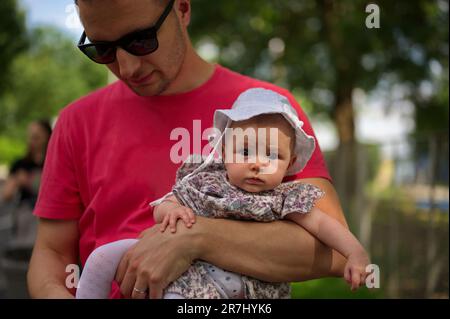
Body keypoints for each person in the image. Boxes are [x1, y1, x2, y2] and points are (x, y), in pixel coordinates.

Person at [28, 0, 352, 299]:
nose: (126, 68)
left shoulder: (269, 111)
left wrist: (196, 240)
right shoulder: (76, 121)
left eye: (141, 40)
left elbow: (334, 252)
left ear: (182, 9)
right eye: (102, 49)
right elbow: (52, 254)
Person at [75, 88, 370, 299]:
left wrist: (355, 252)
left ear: (290, 164)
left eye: (272, 155)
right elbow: (164, 204)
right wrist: (171, 211)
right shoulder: (207, 182)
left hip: (237, 287)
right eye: (244, 151)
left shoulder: (284, 198)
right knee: (101, 257)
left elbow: (322, 224)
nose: (256, 163)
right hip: (186, 268)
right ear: (224, 152)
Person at [1, 120, 52, 246]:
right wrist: (16, 181)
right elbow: (6, 194)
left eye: (37, 137)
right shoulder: (21, 164)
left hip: (49, 215)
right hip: (26, 214)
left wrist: (29, 181)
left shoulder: (54, 162)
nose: (32, 141)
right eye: (30, 137)